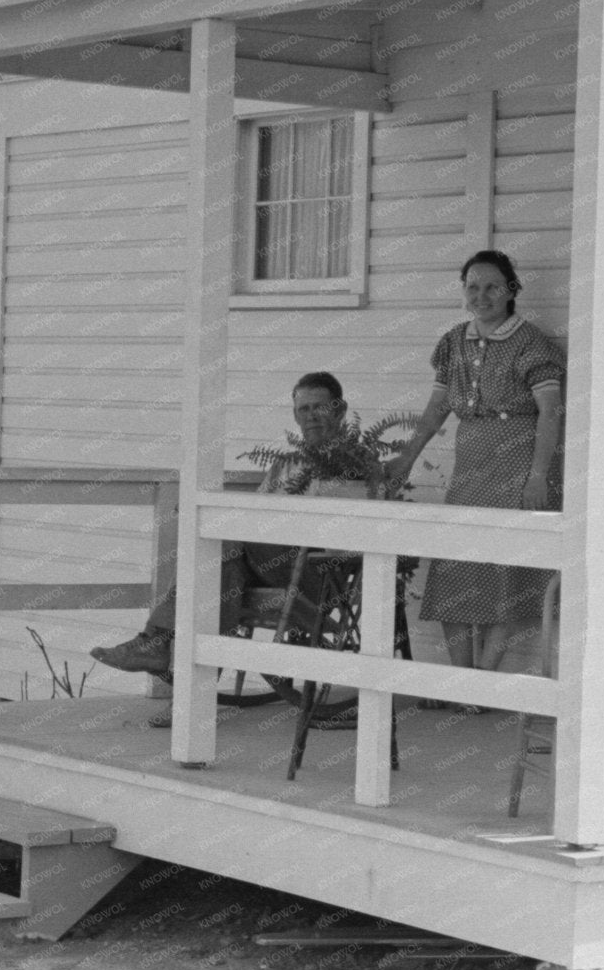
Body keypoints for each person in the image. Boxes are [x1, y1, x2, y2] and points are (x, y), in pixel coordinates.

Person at [89, 371, 353, 677]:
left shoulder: (354, 465)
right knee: (219, 563)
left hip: (315, 574)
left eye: (319, 407)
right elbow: (256, 514)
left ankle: (160, 646)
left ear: (340, 410)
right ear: (295, 416)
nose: (311, 417)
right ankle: (177, 665)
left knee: (221, 544)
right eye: (303, 410)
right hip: (263, 566)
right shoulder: (284, 465)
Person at [384, 250, 564, 677]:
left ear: (510, 291)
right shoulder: (453, 342)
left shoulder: (531, 344)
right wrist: (406, 460)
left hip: (517, 463)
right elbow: (435, 410)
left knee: (505, 569)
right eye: (473, 286)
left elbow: (551, 412)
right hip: (470, 464)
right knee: (456, 566)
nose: (481, 295)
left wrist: (538, 476)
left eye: (491, 286)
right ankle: (459, 681)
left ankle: (482, 682)